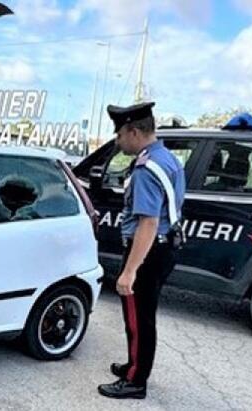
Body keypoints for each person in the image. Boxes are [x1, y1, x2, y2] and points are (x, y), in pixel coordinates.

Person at [97, 102, 186, 400]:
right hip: (164, 247)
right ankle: (135, 365)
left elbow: (148, 223)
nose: (118, 141)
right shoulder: (167, 158)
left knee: (139, 319)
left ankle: (135, 381)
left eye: (120, 134)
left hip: (148, 251)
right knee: (142, 316)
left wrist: (130, 271)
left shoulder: (146, 169)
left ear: (134, 131)